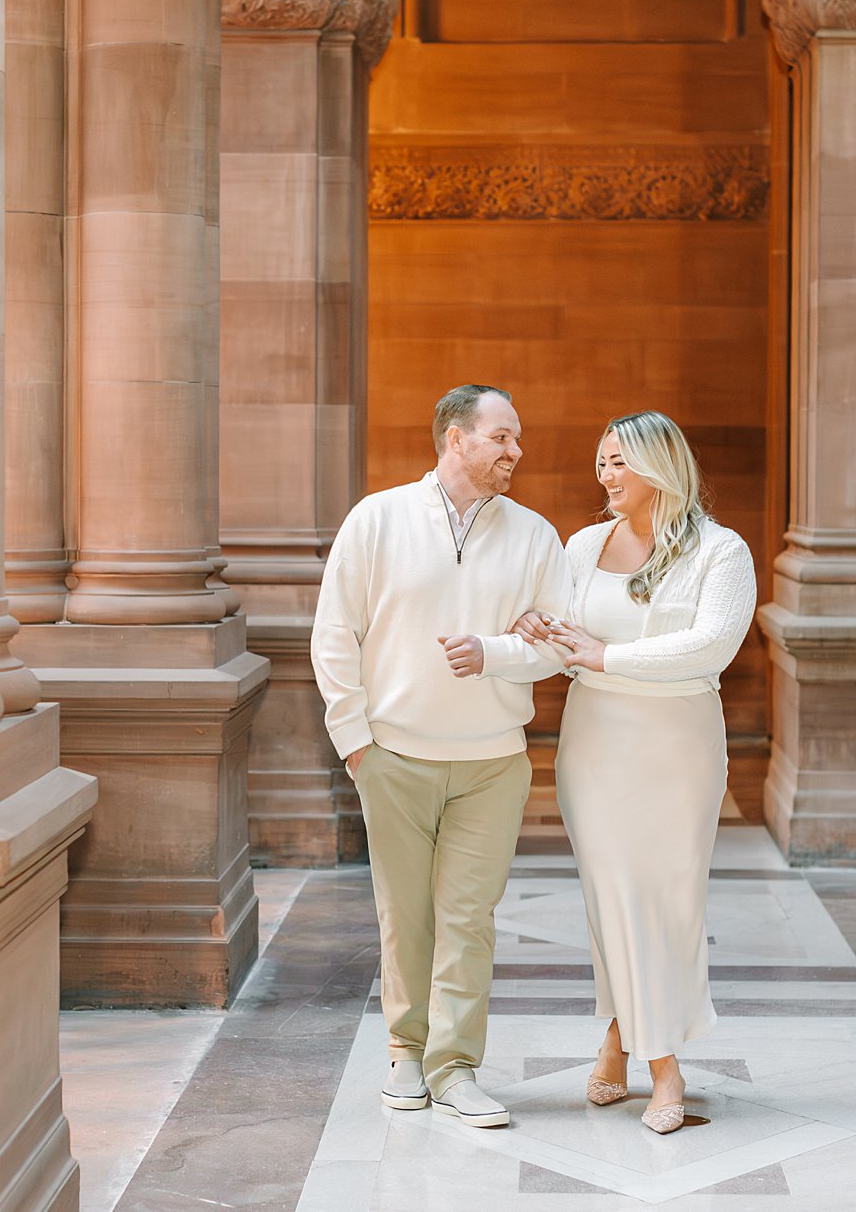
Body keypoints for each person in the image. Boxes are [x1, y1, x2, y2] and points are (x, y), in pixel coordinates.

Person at [311, 384, 567, 1129]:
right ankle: (404, 1055)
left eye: (517, 438)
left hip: (493, 762)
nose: (515, 450)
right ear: (456, 439)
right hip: (392, 757)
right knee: (405, 915)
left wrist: (493, 651)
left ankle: (455, 1068)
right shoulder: (377, 519)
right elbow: (334, 635)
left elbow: (558, 642)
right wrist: (355, 741)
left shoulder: (535, 536)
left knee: (469, 918)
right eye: (501, 437)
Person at [498, 410, 756, 1134]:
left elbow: (709, 648)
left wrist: (602, 656)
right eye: (600, 462)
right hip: (596, 746)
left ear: (659, 465)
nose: (604, 475)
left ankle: (633, 1046)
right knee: (611, 899)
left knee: (668, 903)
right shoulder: (583, 545)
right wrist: (529, 635)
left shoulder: (720, 551)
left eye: (617, 462)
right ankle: (650, 1057)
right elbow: (563, 643)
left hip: (677, 749)